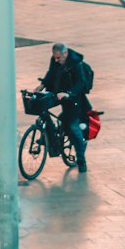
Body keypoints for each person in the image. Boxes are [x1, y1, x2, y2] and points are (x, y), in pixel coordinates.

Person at [39, 42, 90, 172]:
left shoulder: (76, 63)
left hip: (74, 98)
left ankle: (81, 160)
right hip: (58, 93)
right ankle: (49, 136)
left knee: (73, 127)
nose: (56, 60)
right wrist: (42, 85)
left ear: (65, 53)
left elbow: (81, 82)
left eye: (58, 58)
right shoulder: (55, 59)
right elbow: (51, 73)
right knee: (41, 106)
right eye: (54, 57)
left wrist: (68, 93)